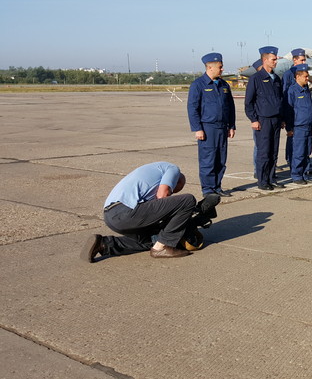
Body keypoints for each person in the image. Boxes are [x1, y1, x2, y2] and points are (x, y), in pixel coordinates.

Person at [82, 162, 196, 261]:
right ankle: (164, 247)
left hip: (110, 216)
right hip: (126, 212)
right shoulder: (173, 169)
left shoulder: (152, 171)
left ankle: (103, 244)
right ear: (176, 181)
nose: (172, 194)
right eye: (173, 190)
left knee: (153, 239)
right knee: (187, 200)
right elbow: (162, 195)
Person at [187, 52, 235, 197]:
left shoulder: (223, 85)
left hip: (222, 127)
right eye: (220, 67)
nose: (222, 70)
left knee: (221, 159)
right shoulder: (198, 85)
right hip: (207, 128)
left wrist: (231, 126)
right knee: (208, 159)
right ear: (210, 67)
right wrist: (197, 128)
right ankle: (208, 189)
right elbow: (192, 108)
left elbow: (230, 107)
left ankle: (217, 186)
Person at [245, 46, 286, 191]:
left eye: (276, 59)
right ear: (264, 60)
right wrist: (253, 119)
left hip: (276, 120)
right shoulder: (256, 79)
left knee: (273, 151)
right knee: (264, 152)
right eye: (273, 59)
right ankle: (262, 181)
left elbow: (280, 99)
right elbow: (249, 102)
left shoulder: (276, 79)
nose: (275, 62)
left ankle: (271, 178)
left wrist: (282, 118)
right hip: (263, 120)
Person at [286, 63, 312, 184]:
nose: (307, 78)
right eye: (305, 76)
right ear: (298, 76)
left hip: (308, 125)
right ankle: (297, 175)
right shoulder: (292, 91)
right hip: (298, 126)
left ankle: (305, 173)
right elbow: (288, 110)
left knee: (307, 151)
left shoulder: (306, 90)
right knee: (298, 152)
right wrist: (289, 127)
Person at [283, 48, 308, 168]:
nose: (304, 62)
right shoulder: (289, 74)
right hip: (292, 111)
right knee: (292, 136)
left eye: (304, 60)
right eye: (301, 60)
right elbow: (285, 94)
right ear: (294, 60)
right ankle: (290, 159)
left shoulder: (304, 74)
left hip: (301, 112)